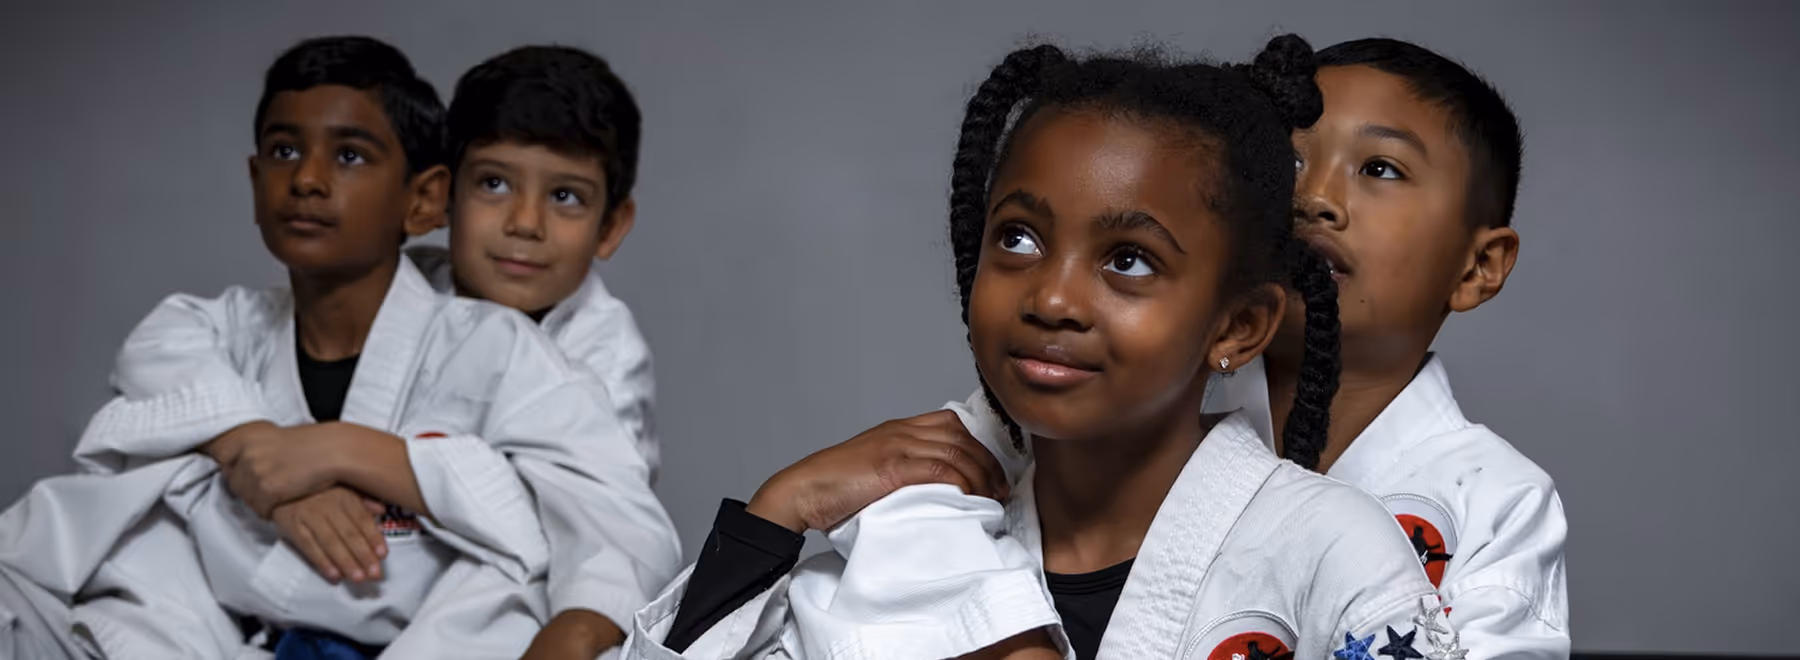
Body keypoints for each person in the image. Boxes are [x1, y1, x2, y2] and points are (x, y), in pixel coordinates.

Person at [625, 36, 1464, 660]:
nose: (1053, 297)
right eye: (1019, 240)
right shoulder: (911, 525)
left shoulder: (1329, 546)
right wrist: (779, 512)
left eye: (1128, 260)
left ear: (1237, 327)